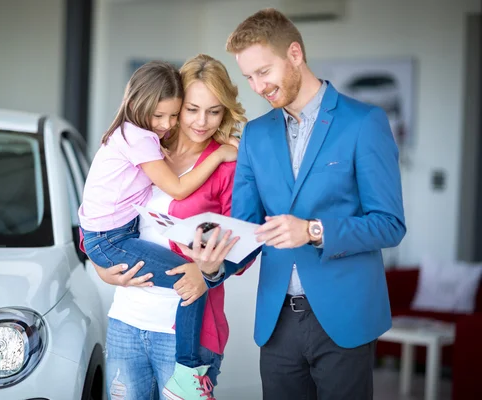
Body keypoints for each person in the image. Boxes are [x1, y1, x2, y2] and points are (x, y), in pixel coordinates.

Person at [182, 8, 407, 400]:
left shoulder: (363, 122)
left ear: (295, 54)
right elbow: (246, 228)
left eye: (263, 72)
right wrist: (215, 263)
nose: (257, 86)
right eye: (249, 76)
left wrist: (312, 231)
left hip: (344, 318)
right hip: (277, 321)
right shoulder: (254, 135)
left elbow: (389, 223)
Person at [78, 60, 238, 398]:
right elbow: (99, 208)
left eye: (213, 111)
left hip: (182, 330)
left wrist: (209, 272)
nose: (200, 121)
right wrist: (100, 267)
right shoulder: (145, 145)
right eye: (191, 109)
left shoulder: (228, 165)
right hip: (126, 320)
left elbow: (244, 244)